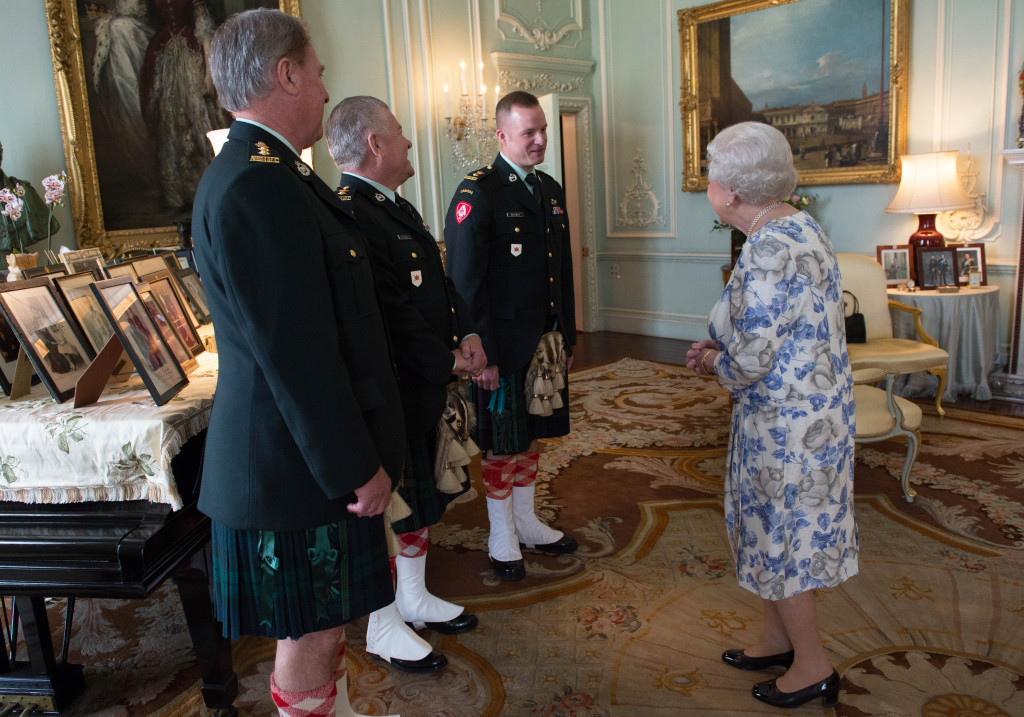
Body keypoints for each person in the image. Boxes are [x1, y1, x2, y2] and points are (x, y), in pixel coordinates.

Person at [194, 10, 402, 717]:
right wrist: (355, 465)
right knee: (310, 629)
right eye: (315, 73)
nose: (322, 87)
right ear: (285, 75)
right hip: (294, 467)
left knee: (322, 622)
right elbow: (296, 354)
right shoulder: (258, 184)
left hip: (295, 459)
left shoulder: (276, 173)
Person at [685, 121, 857, 710]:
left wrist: (713, 365)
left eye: (712, 175)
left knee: (783, 536)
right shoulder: (800, 226)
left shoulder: (767, 246)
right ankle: (777, 640)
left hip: (787, 424)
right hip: (814, 411)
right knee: (774, 528)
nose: (709, 185)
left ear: (731, 191)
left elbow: (755, 355)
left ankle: (812, 666)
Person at [326, 96, 484, 672]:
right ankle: (382, 623)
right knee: (390, 511)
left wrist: (464, 330)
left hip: (420, 383)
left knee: (417, 502)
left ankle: (413, 597)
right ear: (374, 144)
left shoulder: (391, 205)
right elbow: (388, 310)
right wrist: (446, 361)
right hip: (394, 387)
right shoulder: (351, 212)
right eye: (398, 132)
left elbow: (436, 284)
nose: (409, 142)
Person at [444, 90, 578, 582]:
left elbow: (559, 270)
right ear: (502, 136)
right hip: (501, 347)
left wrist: (567, 337)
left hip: (544, 345)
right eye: (530, 132)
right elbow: (463, 283)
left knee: (533, 435)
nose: (542, 139)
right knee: (502, 443)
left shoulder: (550, 189)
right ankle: (502, 532)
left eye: (543, 129)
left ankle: (527, 520)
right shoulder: (478, 192)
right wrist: (483, 356)